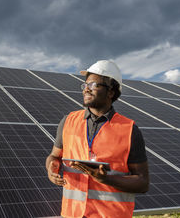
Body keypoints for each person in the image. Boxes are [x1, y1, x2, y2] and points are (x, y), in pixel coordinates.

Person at [46, 60, 149, 218]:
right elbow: (54, 156)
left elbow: (142, 183)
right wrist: (51, 167)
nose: (86, 89)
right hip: (72, 214)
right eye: (85, 84)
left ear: (111, 92)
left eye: (94, 85)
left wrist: (106, 179)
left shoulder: (129, 130)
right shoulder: (68, 121)